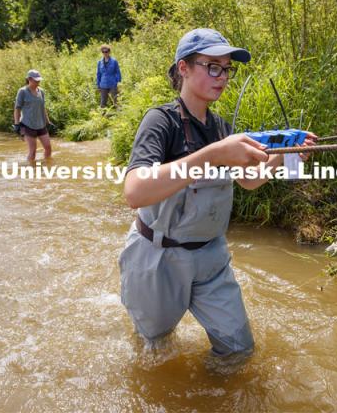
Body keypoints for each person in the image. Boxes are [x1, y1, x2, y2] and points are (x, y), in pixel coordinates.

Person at [119, 28, 316, 358]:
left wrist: (285, 154)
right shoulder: (160, 122)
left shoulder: (221, 128)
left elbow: (249, 180)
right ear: (183, 68)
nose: (222, 77)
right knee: (155, 348)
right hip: (158, 256)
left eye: (227, 69)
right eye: (212, 66)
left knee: (238, 350)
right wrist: (212, 155)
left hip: (211, 257)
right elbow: (135, 191)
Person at [13, 69, 53, 162]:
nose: (38, 82)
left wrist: (48, 120)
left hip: (41, 125)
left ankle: (47, 166)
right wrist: (16, 124)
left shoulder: (41, 91)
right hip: (28, 125)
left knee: (48, 148)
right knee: (33, 152)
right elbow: (17, 108)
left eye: (39, 80)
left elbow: (43, 107)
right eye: (36, 80)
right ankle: (31, 173)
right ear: (29, 79)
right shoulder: (22, 91)